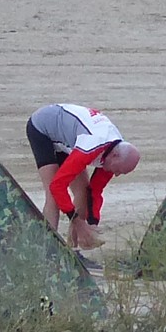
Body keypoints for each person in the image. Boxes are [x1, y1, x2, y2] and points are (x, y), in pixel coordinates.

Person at [25, 102, 139, 252]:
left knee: (83, 192)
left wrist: (92, 223)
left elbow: (95, 191)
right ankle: (44, 251)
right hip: (42, 128)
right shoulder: (91, 146)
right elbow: (57, 186)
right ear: (115, 155)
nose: (116, 174)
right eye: (119, 170)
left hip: (68, 137)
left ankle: (72, 250)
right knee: (53, 197)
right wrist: (78, 222)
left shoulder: (114, 155)